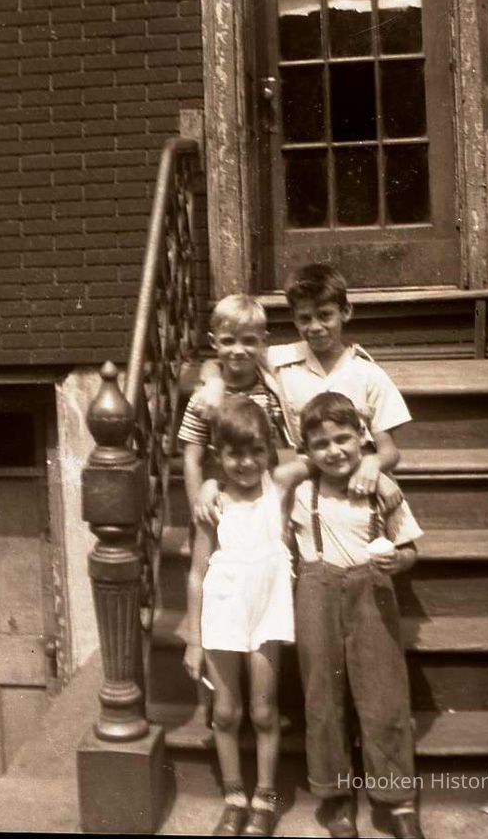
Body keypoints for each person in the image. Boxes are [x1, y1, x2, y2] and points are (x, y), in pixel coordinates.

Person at [290, 391, 424, 839]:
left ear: (362, 437)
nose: (334, 451)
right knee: (322, 699)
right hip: (316, 593)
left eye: (343, 439)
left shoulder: (382, 492)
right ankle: (335, 797)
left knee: (384, 695)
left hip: (372, 592)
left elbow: (410, 550)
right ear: (306, 451)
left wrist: (398, 562)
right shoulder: (302, 492)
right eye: (321, 444)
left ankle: (397, 801)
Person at [194, 264, 408, 521]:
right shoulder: (281, 359)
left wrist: (372, 464)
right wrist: (214, 383)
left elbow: (390, 452)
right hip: (304, 472)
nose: (315, 326)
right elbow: (224, 359)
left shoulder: (368, 374)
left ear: (346, 312)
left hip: (352, 470)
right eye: (305, 318)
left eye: (325, 315)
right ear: (294, 319)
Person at [182, 397, 296, 837]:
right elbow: (196, 575)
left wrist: (377, 479)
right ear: (218, 455)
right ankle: (234, 798)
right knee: (226, 712)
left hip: (266, 609)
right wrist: (193, 639)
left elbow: (316, 459)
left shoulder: (278, 487)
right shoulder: (213, 506)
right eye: (234, 454)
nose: (246, 463)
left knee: (264, 712)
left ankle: (265, 798)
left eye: (255, 452)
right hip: (223, 612)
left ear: (268, 450)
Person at [179, 293, 292, 519]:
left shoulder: (271, 392)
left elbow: (280, 451)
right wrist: (197, 508)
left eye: (249, 341)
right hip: (219, 497)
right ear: (213, 342)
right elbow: (192, 459)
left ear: (263, 340)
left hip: (261, 498)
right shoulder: (205, 398)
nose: (238, 350)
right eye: (228, 341)